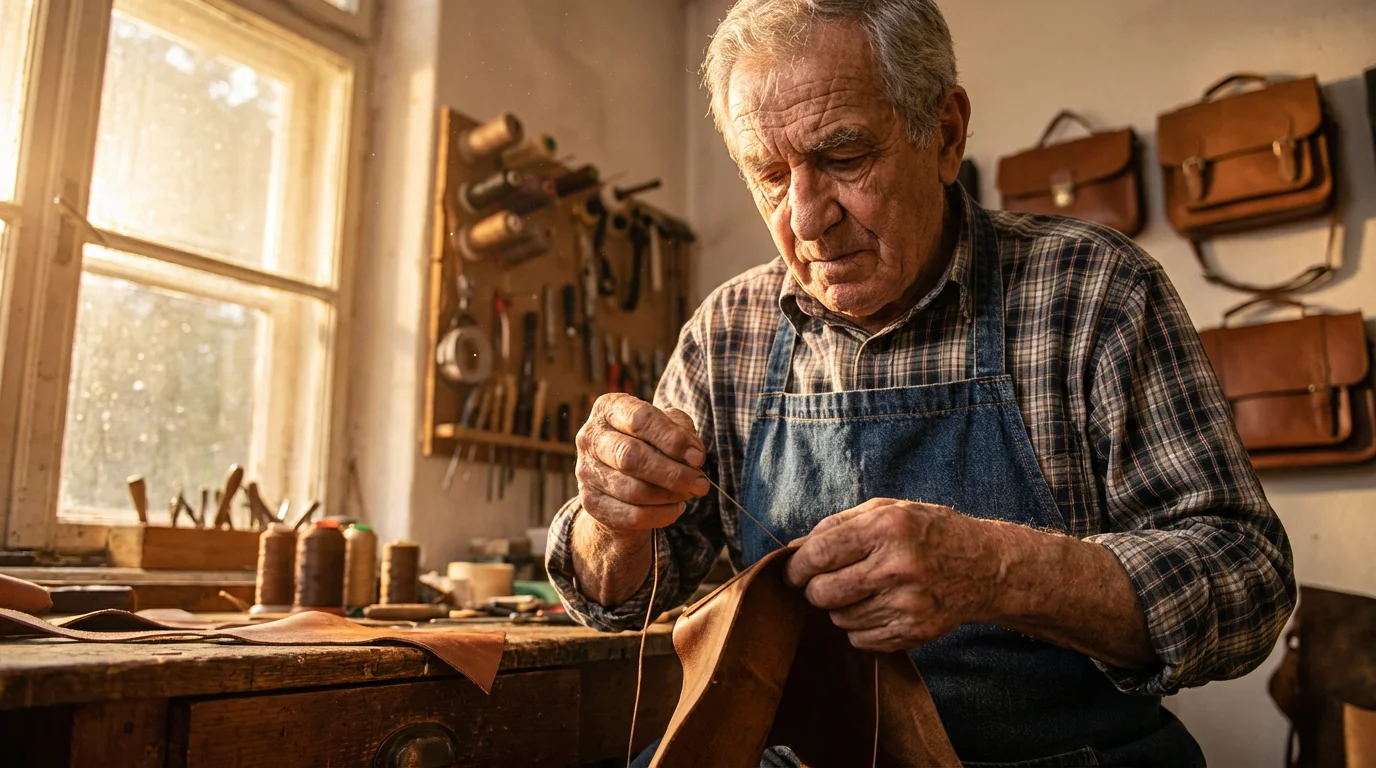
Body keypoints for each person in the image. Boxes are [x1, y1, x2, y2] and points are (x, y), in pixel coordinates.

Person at [546, 1, 1295, 765]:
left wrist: (1000, 571)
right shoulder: (727, 331)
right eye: (770, 174)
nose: (805, 219)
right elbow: (620, 603)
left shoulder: (1092, 290)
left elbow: (1249, 581)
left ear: (944, 134)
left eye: (844, 158)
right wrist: (611, 520)